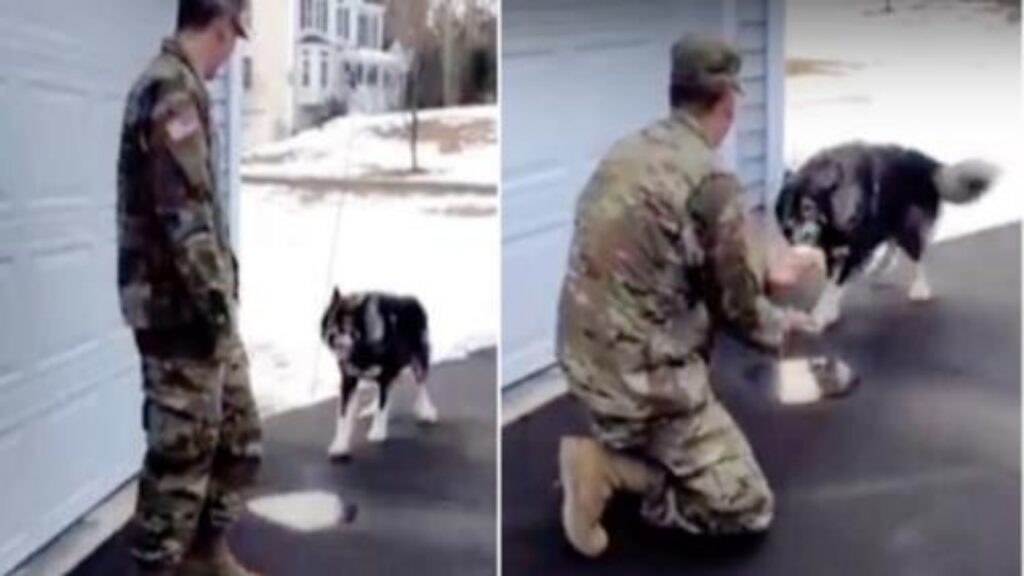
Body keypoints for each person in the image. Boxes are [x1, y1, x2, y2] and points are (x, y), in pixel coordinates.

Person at [555, 33, 827, 557]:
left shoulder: (630, 149)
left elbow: (674, 252)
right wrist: (784, 323)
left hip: (581, 359)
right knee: (746, 505)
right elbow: (739, 308)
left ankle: (624, 438)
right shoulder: (711, 181)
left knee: (680, 314)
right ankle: (612, 469)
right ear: (728, 101)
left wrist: (757, 263)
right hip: (635, 381)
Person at [116, 1, 260, 574]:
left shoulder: (184, 88)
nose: (232, 52)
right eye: (234, 37)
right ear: (221, 27)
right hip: (180, 319)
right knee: (179, 462)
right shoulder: (169, 92)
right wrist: (220, 316)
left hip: (205, 314)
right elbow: (187, 224)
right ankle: (157, 566)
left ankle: (207, 555)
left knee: (239, 435)